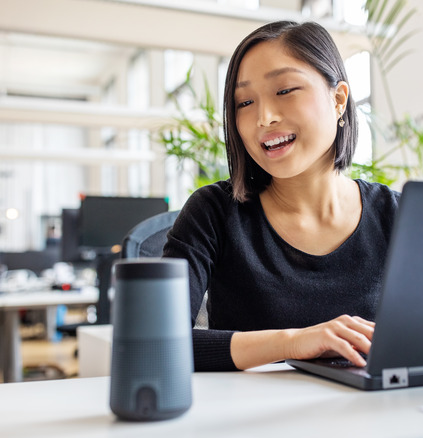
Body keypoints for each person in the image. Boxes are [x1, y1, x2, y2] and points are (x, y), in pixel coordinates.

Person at [163, 20, 400, 371]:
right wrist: (294, 342)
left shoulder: (397, 215)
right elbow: (156, 341)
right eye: (244, 102)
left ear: (338, 100)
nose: (264, 117)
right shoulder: (212, 213)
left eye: (285, 90)